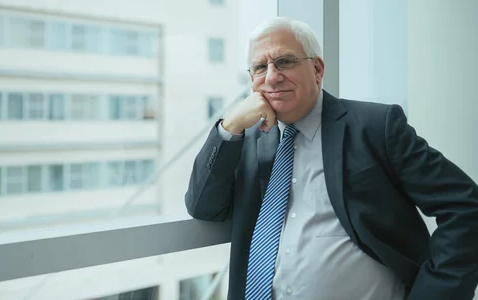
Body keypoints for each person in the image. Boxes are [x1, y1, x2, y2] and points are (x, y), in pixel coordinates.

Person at [185, 17, 478, 300]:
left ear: (317, 68)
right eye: (260, 67)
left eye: (285, 61)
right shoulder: (246, 139)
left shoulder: (375, 126)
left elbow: (465, 208)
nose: (272, 76)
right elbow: (203, 207)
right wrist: (229, 126)